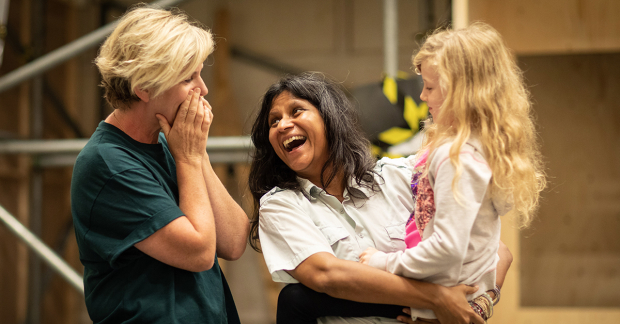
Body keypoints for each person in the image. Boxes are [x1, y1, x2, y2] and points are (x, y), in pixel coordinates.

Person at [248, 72, 513, 324]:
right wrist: (437, 299)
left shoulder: (403, 177)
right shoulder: (279, 205)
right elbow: (327, 275)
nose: (282, 125)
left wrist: (474, 307)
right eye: (273, 121)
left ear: (329, 118)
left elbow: (496, 249)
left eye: (296, 111)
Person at [356, 22, 546, 322]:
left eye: (430, 87)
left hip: (443, 306)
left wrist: (383, 262)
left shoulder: (456, 156)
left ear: (463, 91)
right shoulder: (483, 148)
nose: (422, 97)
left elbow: (447, 248)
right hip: (463, 297)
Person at [71, 6, 249, 324]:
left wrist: (197, 155)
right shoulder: (107, 164)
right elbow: (198, 253)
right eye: (188, 78)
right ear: (145, 88)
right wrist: (190, 158)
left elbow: (234, 241)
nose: (203, 89)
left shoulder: (173, 143)